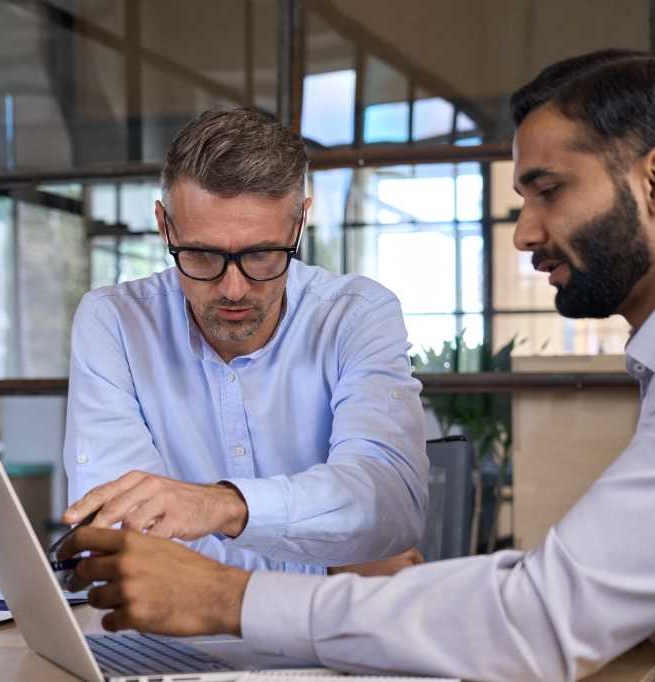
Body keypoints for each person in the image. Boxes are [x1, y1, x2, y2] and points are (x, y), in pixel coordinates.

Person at [58, 50, 655, 681]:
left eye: (550, 191)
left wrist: (225, 593)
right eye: (522, 198)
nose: (524, 233)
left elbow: (542, 614)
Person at [61, 107, 428, 577]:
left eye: (260, 254)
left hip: (319, 643)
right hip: (180, 639)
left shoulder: (357, 315)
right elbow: (118, 542)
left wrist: (222, 507)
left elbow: (386, 504)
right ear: (164, 226)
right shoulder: (113, 321)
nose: (233, 288)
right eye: (201, 254)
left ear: (298, 225)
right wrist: (328, 569)